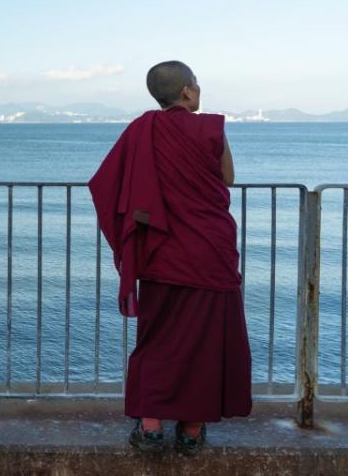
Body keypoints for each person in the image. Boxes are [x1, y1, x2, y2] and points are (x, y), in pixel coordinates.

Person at [88, 61, 252, 456]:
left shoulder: (142, 130)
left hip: (161, 250)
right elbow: (227, 177)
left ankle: (150, 425)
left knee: (157, 336)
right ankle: (191, 430)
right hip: (210, 249)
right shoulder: (211, 127)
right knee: (207, 341)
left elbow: (105, 181)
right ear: (187, 92)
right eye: (196, 85)